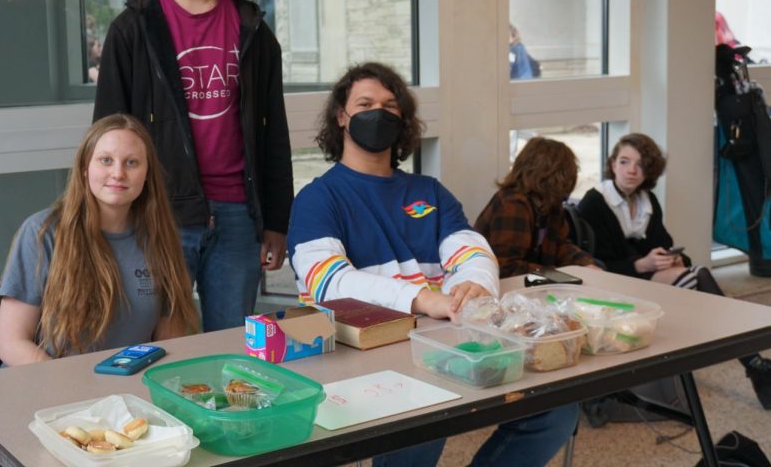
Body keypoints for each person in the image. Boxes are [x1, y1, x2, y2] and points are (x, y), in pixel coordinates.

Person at [288, 62, 578, 467]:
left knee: (556, 410)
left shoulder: (429, 191)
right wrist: (425, 300)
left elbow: (470, 250)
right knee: (421, 427)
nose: (380, 113)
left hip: (444, 343)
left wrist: (474, 284)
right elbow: (328, 283)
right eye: (365, 103)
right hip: (368, 356)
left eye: (391, 105)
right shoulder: (317, 199)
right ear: (341, 117)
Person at [93, 0, 293, 332]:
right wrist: (110, 220)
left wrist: (277, 221)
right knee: (160, 345)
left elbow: (274, 137)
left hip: (239, 217)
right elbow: (107, 136)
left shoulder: (254, 30)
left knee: (230, 347)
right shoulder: (134, 28)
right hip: (159, 215)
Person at [577, 132, 771, 409]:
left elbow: (664, 244)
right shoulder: (595, 202)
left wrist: (674, 259)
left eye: (640, 164)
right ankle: (753, 362)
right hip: (614, 283)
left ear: (650, 170)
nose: (632, 170)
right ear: (612, 164)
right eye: (624, 162)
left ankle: (745, 360)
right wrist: (640, 264)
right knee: (700, 281)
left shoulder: (647, 200)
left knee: (695, 275)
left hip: (646, 276)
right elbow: (597, 265)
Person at [0, 114, 199, 365]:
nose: (118, 173)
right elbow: (11, 343)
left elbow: (169, 342)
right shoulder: (42, 232)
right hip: (47, 386)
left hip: (123, 391)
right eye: (105, 160)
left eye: (132, 162)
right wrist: (71, 389)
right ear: (84, 168)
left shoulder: (160, 237)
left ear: (147, 175)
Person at [475, 137, 598, 279]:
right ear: (552, 175)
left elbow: (560, 245)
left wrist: (586, 264)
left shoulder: (551, 203)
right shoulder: (513, 203)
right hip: (500, 286)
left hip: (533, 280)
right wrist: (559, 274)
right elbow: (506, 267)